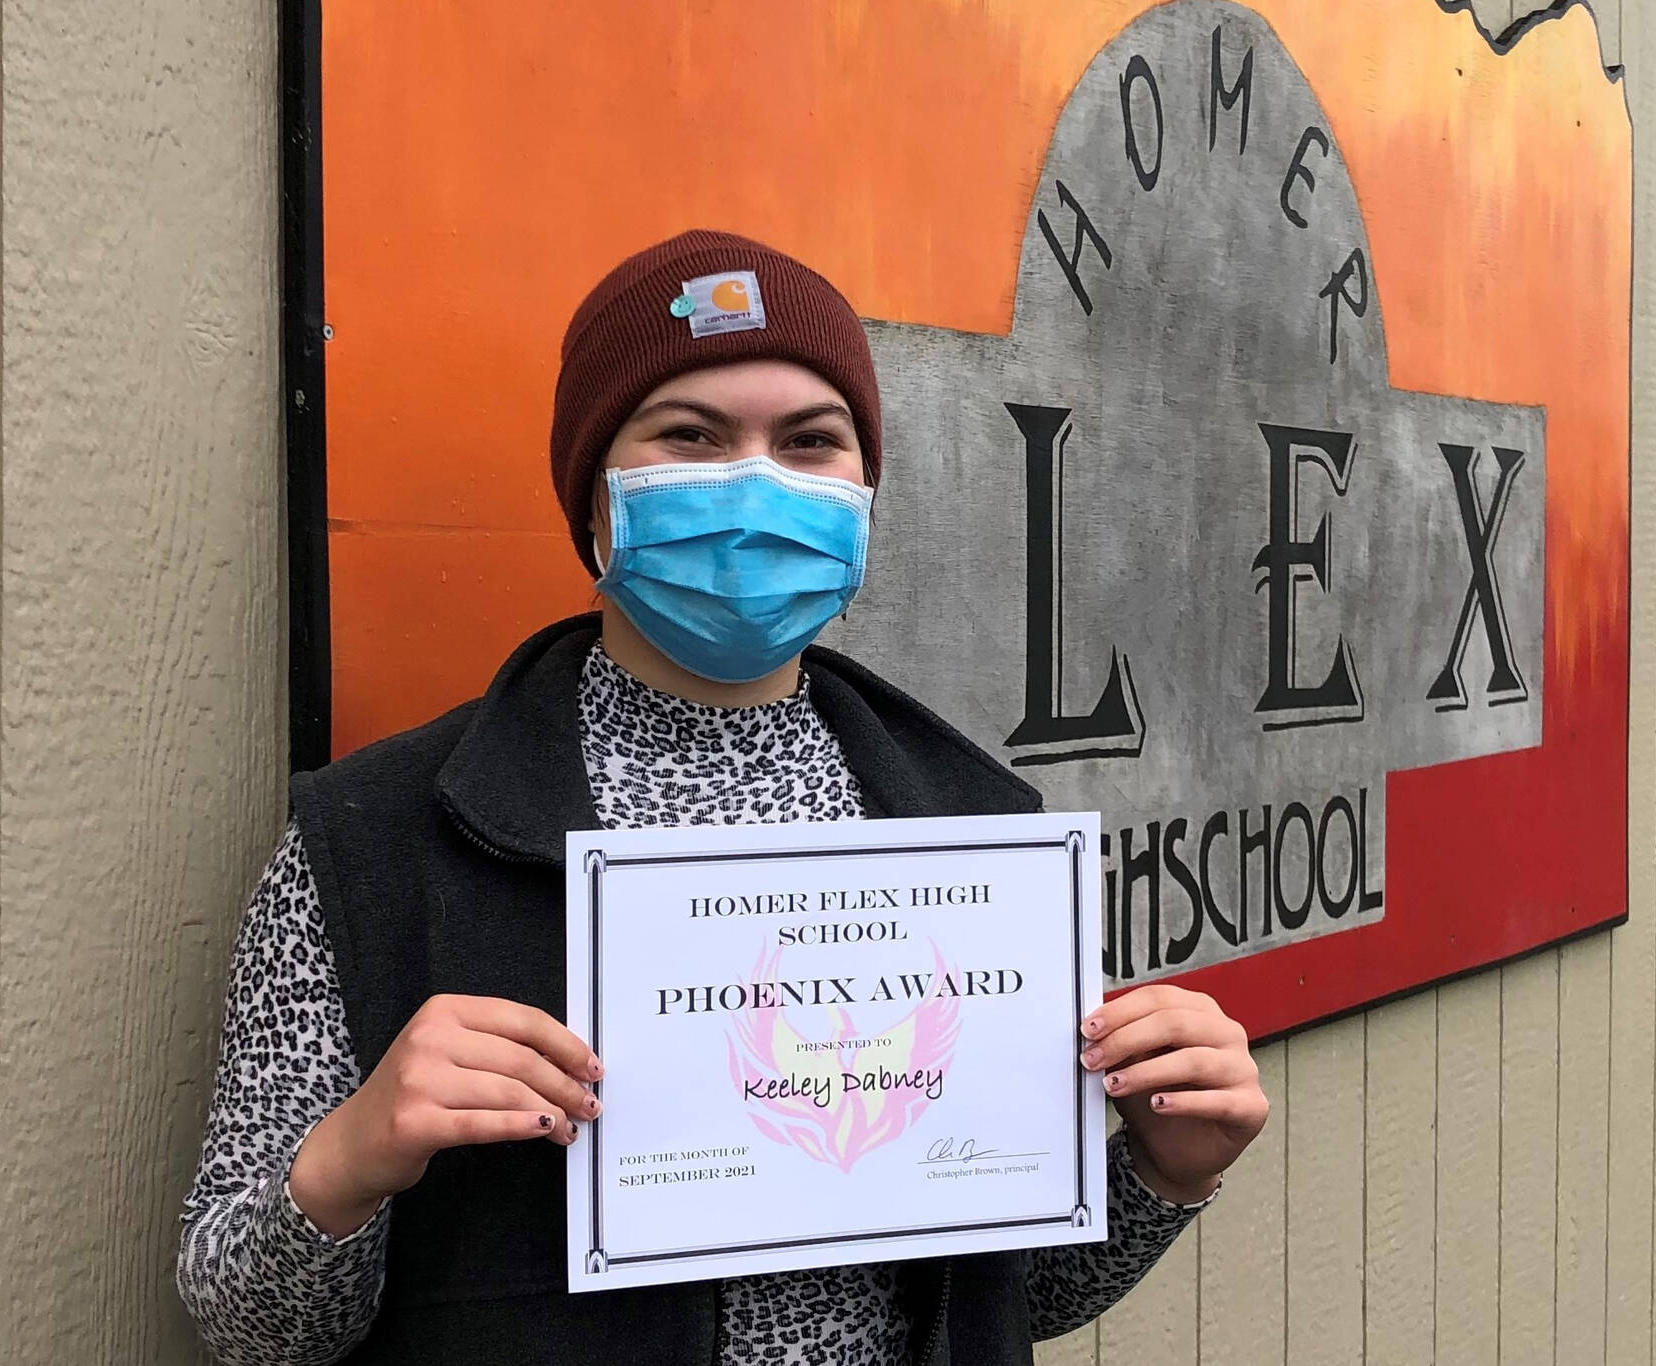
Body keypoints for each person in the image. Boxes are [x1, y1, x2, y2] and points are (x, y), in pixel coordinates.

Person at [176, 229, 1269, 1365]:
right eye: (691, 436)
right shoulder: (373, 843)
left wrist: (1165, 1169)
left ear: (864, 493)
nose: (756, 483)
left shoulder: (976, 834)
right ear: (594, 494)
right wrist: (353, 1157)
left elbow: (1010, 1296)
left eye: (810, 441)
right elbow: (253, 1331)